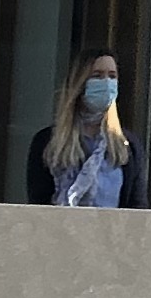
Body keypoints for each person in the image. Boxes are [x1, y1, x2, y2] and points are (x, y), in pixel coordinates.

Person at [25, 51, 136, 209]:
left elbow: (137, 207)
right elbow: (37, 204)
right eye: (97, 75)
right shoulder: (47, 141)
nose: (106, 82)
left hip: (112, 232)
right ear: (80, 82)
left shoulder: (127, 144)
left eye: (112, 76)